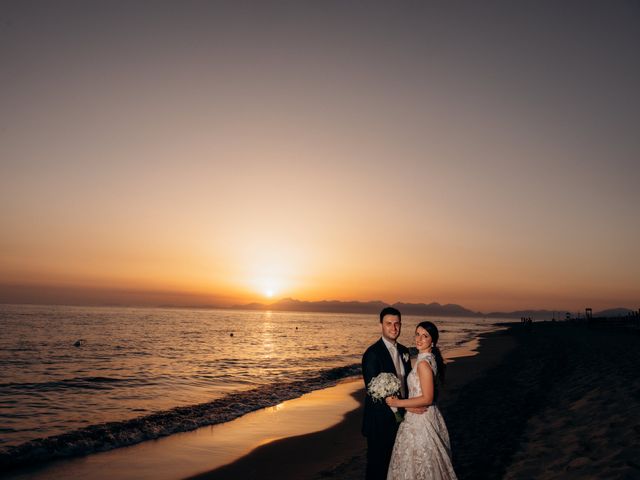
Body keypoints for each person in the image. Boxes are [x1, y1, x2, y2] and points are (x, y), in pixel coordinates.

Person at [385, 321, 457, 480]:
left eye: (425, 336)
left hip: (421, 421)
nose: (419, 339)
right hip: (421, 414)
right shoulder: (427, 358)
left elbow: (427, 397)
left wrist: (398, 403)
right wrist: (408, 407)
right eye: (417, 334)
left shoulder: (423, 363)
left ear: (433, 341)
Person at [362, 307, 416, 480]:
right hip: (380, 423)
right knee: (377, 468)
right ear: (381, 325)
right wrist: (396, 412)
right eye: (389, 324)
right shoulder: (372, 354)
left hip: (403, 417)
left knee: (397, 466)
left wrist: (407, 408)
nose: (394, 328)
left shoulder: (404, 351)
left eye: (397, 324)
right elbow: (374, 392)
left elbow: (407, 383)